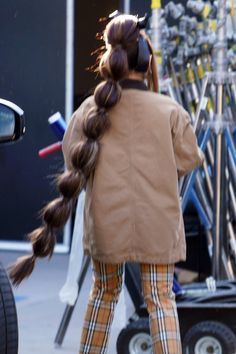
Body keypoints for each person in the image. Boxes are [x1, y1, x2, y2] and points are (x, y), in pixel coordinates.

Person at [9, 13, 204, 354]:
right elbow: (189, 160)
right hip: (158, 224)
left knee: (103, 292)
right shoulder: (169, 111)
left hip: (106, 222)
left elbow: (73, 161)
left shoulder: (88, 111)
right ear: (145, 61)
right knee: (160, 299)